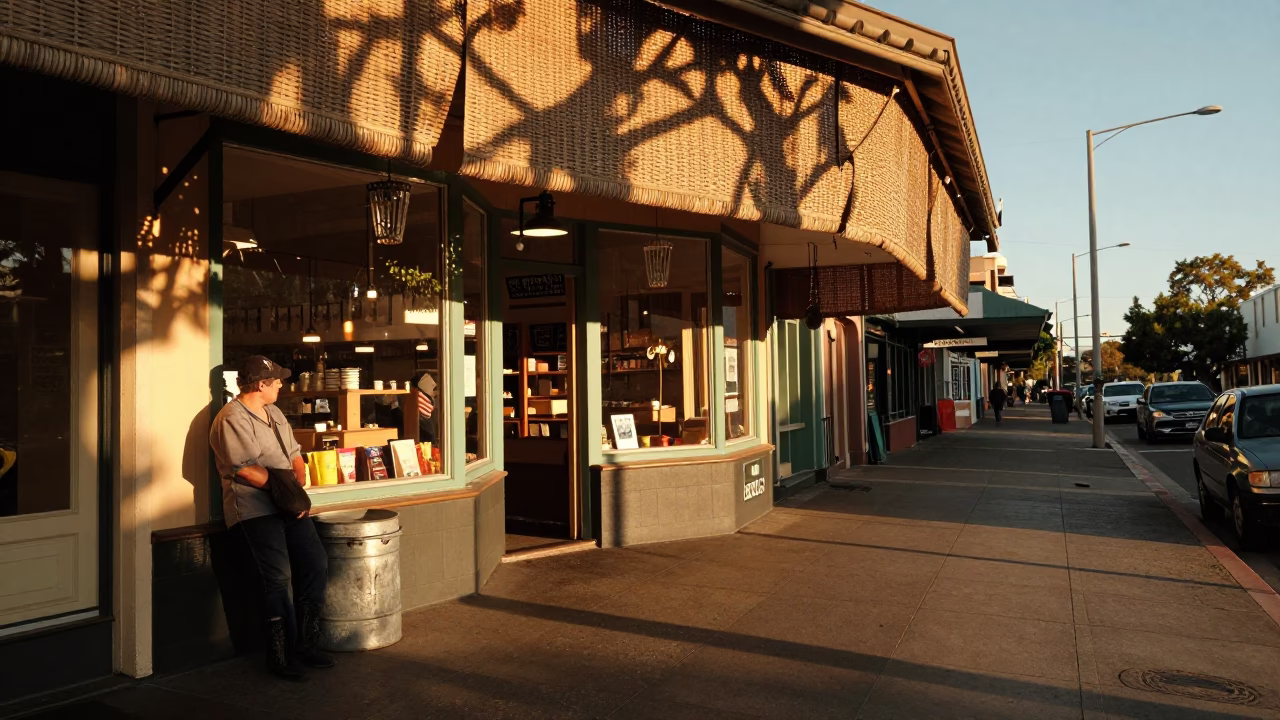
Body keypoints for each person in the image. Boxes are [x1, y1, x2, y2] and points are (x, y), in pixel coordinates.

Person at [210, 355, 334, 680]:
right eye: (276, 379)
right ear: (261, 384)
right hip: (255, 512)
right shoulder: (231, 418)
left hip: (288, 506)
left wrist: (295, 481)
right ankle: (280, 656)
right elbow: (245, 469)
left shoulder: (275, 412)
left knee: (315, 564)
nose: (281, 383)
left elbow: (294, 454)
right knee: (277, 580)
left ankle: (307, 644)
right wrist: (286, 492)